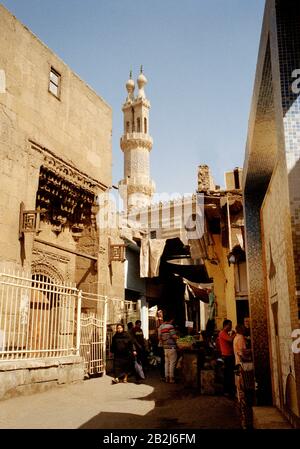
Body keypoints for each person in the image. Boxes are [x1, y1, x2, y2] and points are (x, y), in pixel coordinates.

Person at [233, 324, 254, 429]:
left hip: (238, 363)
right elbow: (242, 352)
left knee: (239, 385)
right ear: (240, 329)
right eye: (244, 328)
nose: (246, 328)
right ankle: (242, 404)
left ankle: (240, 400)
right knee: (242, 387)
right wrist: (251, 351)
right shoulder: (240, 338)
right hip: (242, 364)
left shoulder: (236, 337)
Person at [158, 314, 178, 383]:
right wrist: (178, 338)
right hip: (171, 347)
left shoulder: (162, 327)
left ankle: (166, 377)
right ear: (170, 320)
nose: (172, 322)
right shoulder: (170, 326)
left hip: (165, 347)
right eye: (172, 320)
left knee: (166, 363)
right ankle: (171, 378)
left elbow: (159, 337)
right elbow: (174, 336)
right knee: (172, 363)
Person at [218, 319, 236, 398]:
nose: (231, 327)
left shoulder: (225, 333)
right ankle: (227, 391)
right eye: (230, 325)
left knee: (229, 373)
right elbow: (230, 340)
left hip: (229, 355)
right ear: (226, 325)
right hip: (227, 356)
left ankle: (228, 390)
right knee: (228, 374)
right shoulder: (222, 333)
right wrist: (235, 334)